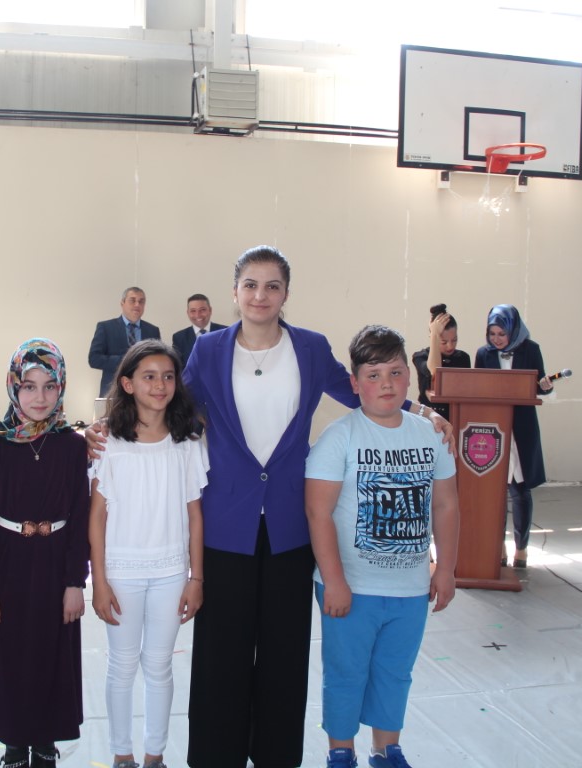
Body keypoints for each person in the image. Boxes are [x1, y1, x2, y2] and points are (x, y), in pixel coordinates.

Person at [177, 245, 451, 768]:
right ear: (235, 292)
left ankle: (276, 756)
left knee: (284, 651)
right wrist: (110, 426)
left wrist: (423, 410)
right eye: (251, 285)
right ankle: (216, 756)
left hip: (289, 522)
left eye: (272, 286)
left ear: (286, 294)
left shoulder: (309, 347)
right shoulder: (208, 351)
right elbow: (170, 405)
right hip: (226, 522)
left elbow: (360, 390)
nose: (261, 295)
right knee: (221, 652)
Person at [305, 324, 459, 768]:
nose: (386, 384)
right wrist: (334, 581)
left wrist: (447, 569)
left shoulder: (430, 435)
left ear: (409, 377)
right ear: (355, 384)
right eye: (373, 375)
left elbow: (446, 504)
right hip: (351, 587)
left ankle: (386, 748)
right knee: (346, 672)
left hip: (410, 586)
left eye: (395, 372)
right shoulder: (339, 437)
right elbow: (318, 513)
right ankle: (341, 751)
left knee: (395, 672)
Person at [88, 339, 208, 768]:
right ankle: (123, 755)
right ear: (127, 383)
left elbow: (195, 515)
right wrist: (99, 581)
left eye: (168, 377)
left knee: (159, 666)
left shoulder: (187, 441)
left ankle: (154, 755)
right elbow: (97, 516)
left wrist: (196, 578)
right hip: (121, 572)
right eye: (149, 377)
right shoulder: (108, 442)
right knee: (122, 666)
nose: (160, 385)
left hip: (171, 572)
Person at [0, 339, 90, 768]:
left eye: (49, 386)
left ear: (62, 388)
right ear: (13, 387)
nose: (39, 397)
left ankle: (44, 741)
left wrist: (75, 582)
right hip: (7, 563)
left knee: (51, 652)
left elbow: (80, 516)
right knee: (9, 654)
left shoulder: (72, 445)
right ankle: (13, 744)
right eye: (29, 386)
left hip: (55, 563)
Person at [474, 304, 552, 568]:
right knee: (495, 490)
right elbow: (477, 389)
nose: (496, 339)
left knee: (520, 490)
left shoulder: (531, 350)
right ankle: (498, 547)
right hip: (493, 430)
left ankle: (522, 548)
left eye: (502, 334)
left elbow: (539, 386)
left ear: (514, 330)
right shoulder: (483, 354)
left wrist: (545, 387)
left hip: (522, 428)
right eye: (492, 334)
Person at [88, 287, 162, 397]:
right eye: (132, 300)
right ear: (122, 303)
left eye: (141, 301)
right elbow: (94, 359)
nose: (137, 305)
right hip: (113, 392)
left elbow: (158, 362)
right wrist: (127, 360)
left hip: (144, 393)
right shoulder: (106, 327)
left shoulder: (152, 331)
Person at [411, 304, 471, 421]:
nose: (450, 346)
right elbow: (435, 371)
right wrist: (434, 334)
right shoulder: (420, 357)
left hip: (455, 418)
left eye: (454, 340)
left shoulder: (462, 358)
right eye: (444, 342)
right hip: (428, 418)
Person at [171, 293, 228, 364]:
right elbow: (178, 366)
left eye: (202, 310)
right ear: (188, 313)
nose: (198, 315)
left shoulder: (226, 332)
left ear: (210, 310)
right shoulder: (179, 338)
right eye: (193, 311)